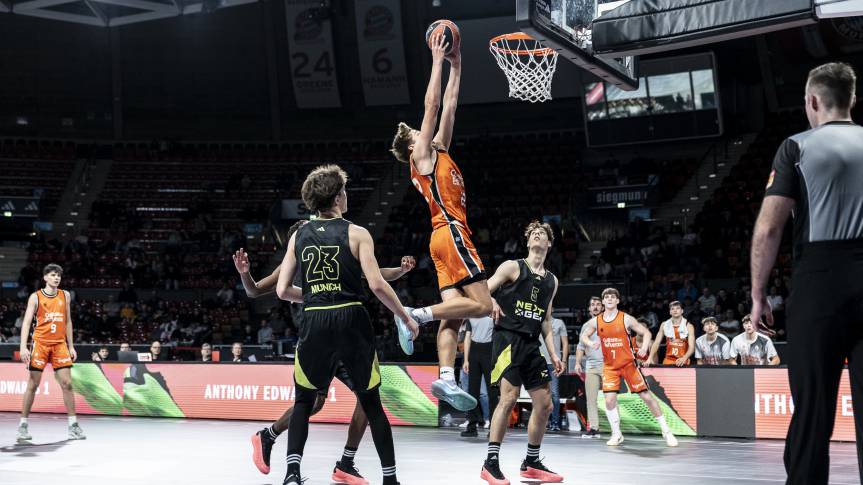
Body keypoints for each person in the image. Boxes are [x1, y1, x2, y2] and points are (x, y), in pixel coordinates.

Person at [235, 223, 416, 484]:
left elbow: (374, 274)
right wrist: (245, 273)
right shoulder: (294, 259)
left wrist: (400, 270)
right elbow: (254, 290)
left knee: (365, 401)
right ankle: (269, 436)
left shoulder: (334, 257)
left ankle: (346, 462)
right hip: (316, 337)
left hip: (341, 335)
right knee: (313, 403)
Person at [750, 63, 862, 485]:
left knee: (813, 409)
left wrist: (759, 294)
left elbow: (769, 226)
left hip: (822, 280)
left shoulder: (796, 146)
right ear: (852, 99)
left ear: (812, 101)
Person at [273, 164, 418, 485]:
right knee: (372, 403)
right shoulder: (357, 233)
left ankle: (292, 474)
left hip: (314, 318)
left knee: (303, 401)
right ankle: (390, 479)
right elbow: (377, 284)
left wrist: (313, 298)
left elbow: (282, 290)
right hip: (351, 317)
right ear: (338, 197)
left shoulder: (298, 235)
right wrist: (406, 316)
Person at [390, 32, 492, 411]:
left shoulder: (440, 151)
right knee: (482, 306)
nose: (425, 132)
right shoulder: (421, 157)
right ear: (412, 146)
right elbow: (432, 105)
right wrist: (435, 58)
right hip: (451, 233)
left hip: (441, 240)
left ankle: (446, 377)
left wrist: (458, 64)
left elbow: (448, 105)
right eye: (419, 134)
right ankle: (414, 315)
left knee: (456, 313)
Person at [480, 221, 565, 485]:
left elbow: (547, 321)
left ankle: (531, 462)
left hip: (531, 344)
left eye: (543, 234)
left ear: (549, 244)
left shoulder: (552, 281)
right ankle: (490, 462)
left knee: (545, 403)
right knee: (509, 398)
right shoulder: (512, 267)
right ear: (528, 242)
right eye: (533, 234)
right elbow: (483, 290)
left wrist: (553, 354)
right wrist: (491, 300)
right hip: (507, 339)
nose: (538, 236)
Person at [580, 288, 678, 447]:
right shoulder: (596, 321)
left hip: (628, 364)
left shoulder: (626, 318)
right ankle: (616, 434)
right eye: (607, 297)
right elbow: (584, 335)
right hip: (610, 367)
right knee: (609, 399)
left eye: (613, 297)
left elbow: (646, 333)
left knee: (646, 396)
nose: (610, 299)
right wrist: (591, 343)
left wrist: (645, 347)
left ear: (617, 301)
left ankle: (666, 431)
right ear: (603, 301)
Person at [16, 264, 86, 442]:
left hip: (59, 345)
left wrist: (71, 346)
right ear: (45, 277)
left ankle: (73, 425)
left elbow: (68, 321)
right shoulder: (36, 297)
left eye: (59, 276)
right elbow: (26, 323)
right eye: (53, 275)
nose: (57, 278)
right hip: (40, 344)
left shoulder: (65, 295)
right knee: (33, 384)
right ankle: (22, 426)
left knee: (67, 384)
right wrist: (23, 347)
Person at [461, 316, 497, 438]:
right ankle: (472, 426)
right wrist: (466, 360)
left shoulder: (493, 312)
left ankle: (494, 427)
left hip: (489, 350)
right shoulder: (472, 315)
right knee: (472, 392)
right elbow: (467, 337)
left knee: (492, 391)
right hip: (474, 351)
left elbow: (499, 335)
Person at [574, 296, 604, 438]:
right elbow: (581, 346)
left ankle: (617, 429)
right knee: (591, 399)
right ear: (589, 308)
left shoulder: (609, 323)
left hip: (609, 366)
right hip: (591, 366)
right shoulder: (586, 326)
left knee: (613, 398)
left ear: (603, 307)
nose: (596, 307)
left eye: (598, 304)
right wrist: (578, 362)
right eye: (593, 305)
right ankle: (594, 428)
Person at [539, 314, 568, 431]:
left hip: (554, 363)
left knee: (554, 394)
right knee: (541, 395)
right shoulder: (537, 321)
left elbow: (565, 343)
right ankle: (543, 422)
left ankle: (555, 422)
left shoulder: (559, 323)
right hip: (539, 362)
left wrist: (564, 361)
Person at [648, 301, 695, 367]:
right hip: (668, 360)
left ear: (682, 311)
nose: (675, 310)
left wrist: (684, 358)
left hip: (683, 360)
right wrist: (650, 358)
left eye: (677, 308)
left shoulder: (689, 326)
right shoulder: (664, 324)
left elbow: (692, 347)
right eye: (672, 309)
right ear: (670, 312)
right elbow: (656, 343)